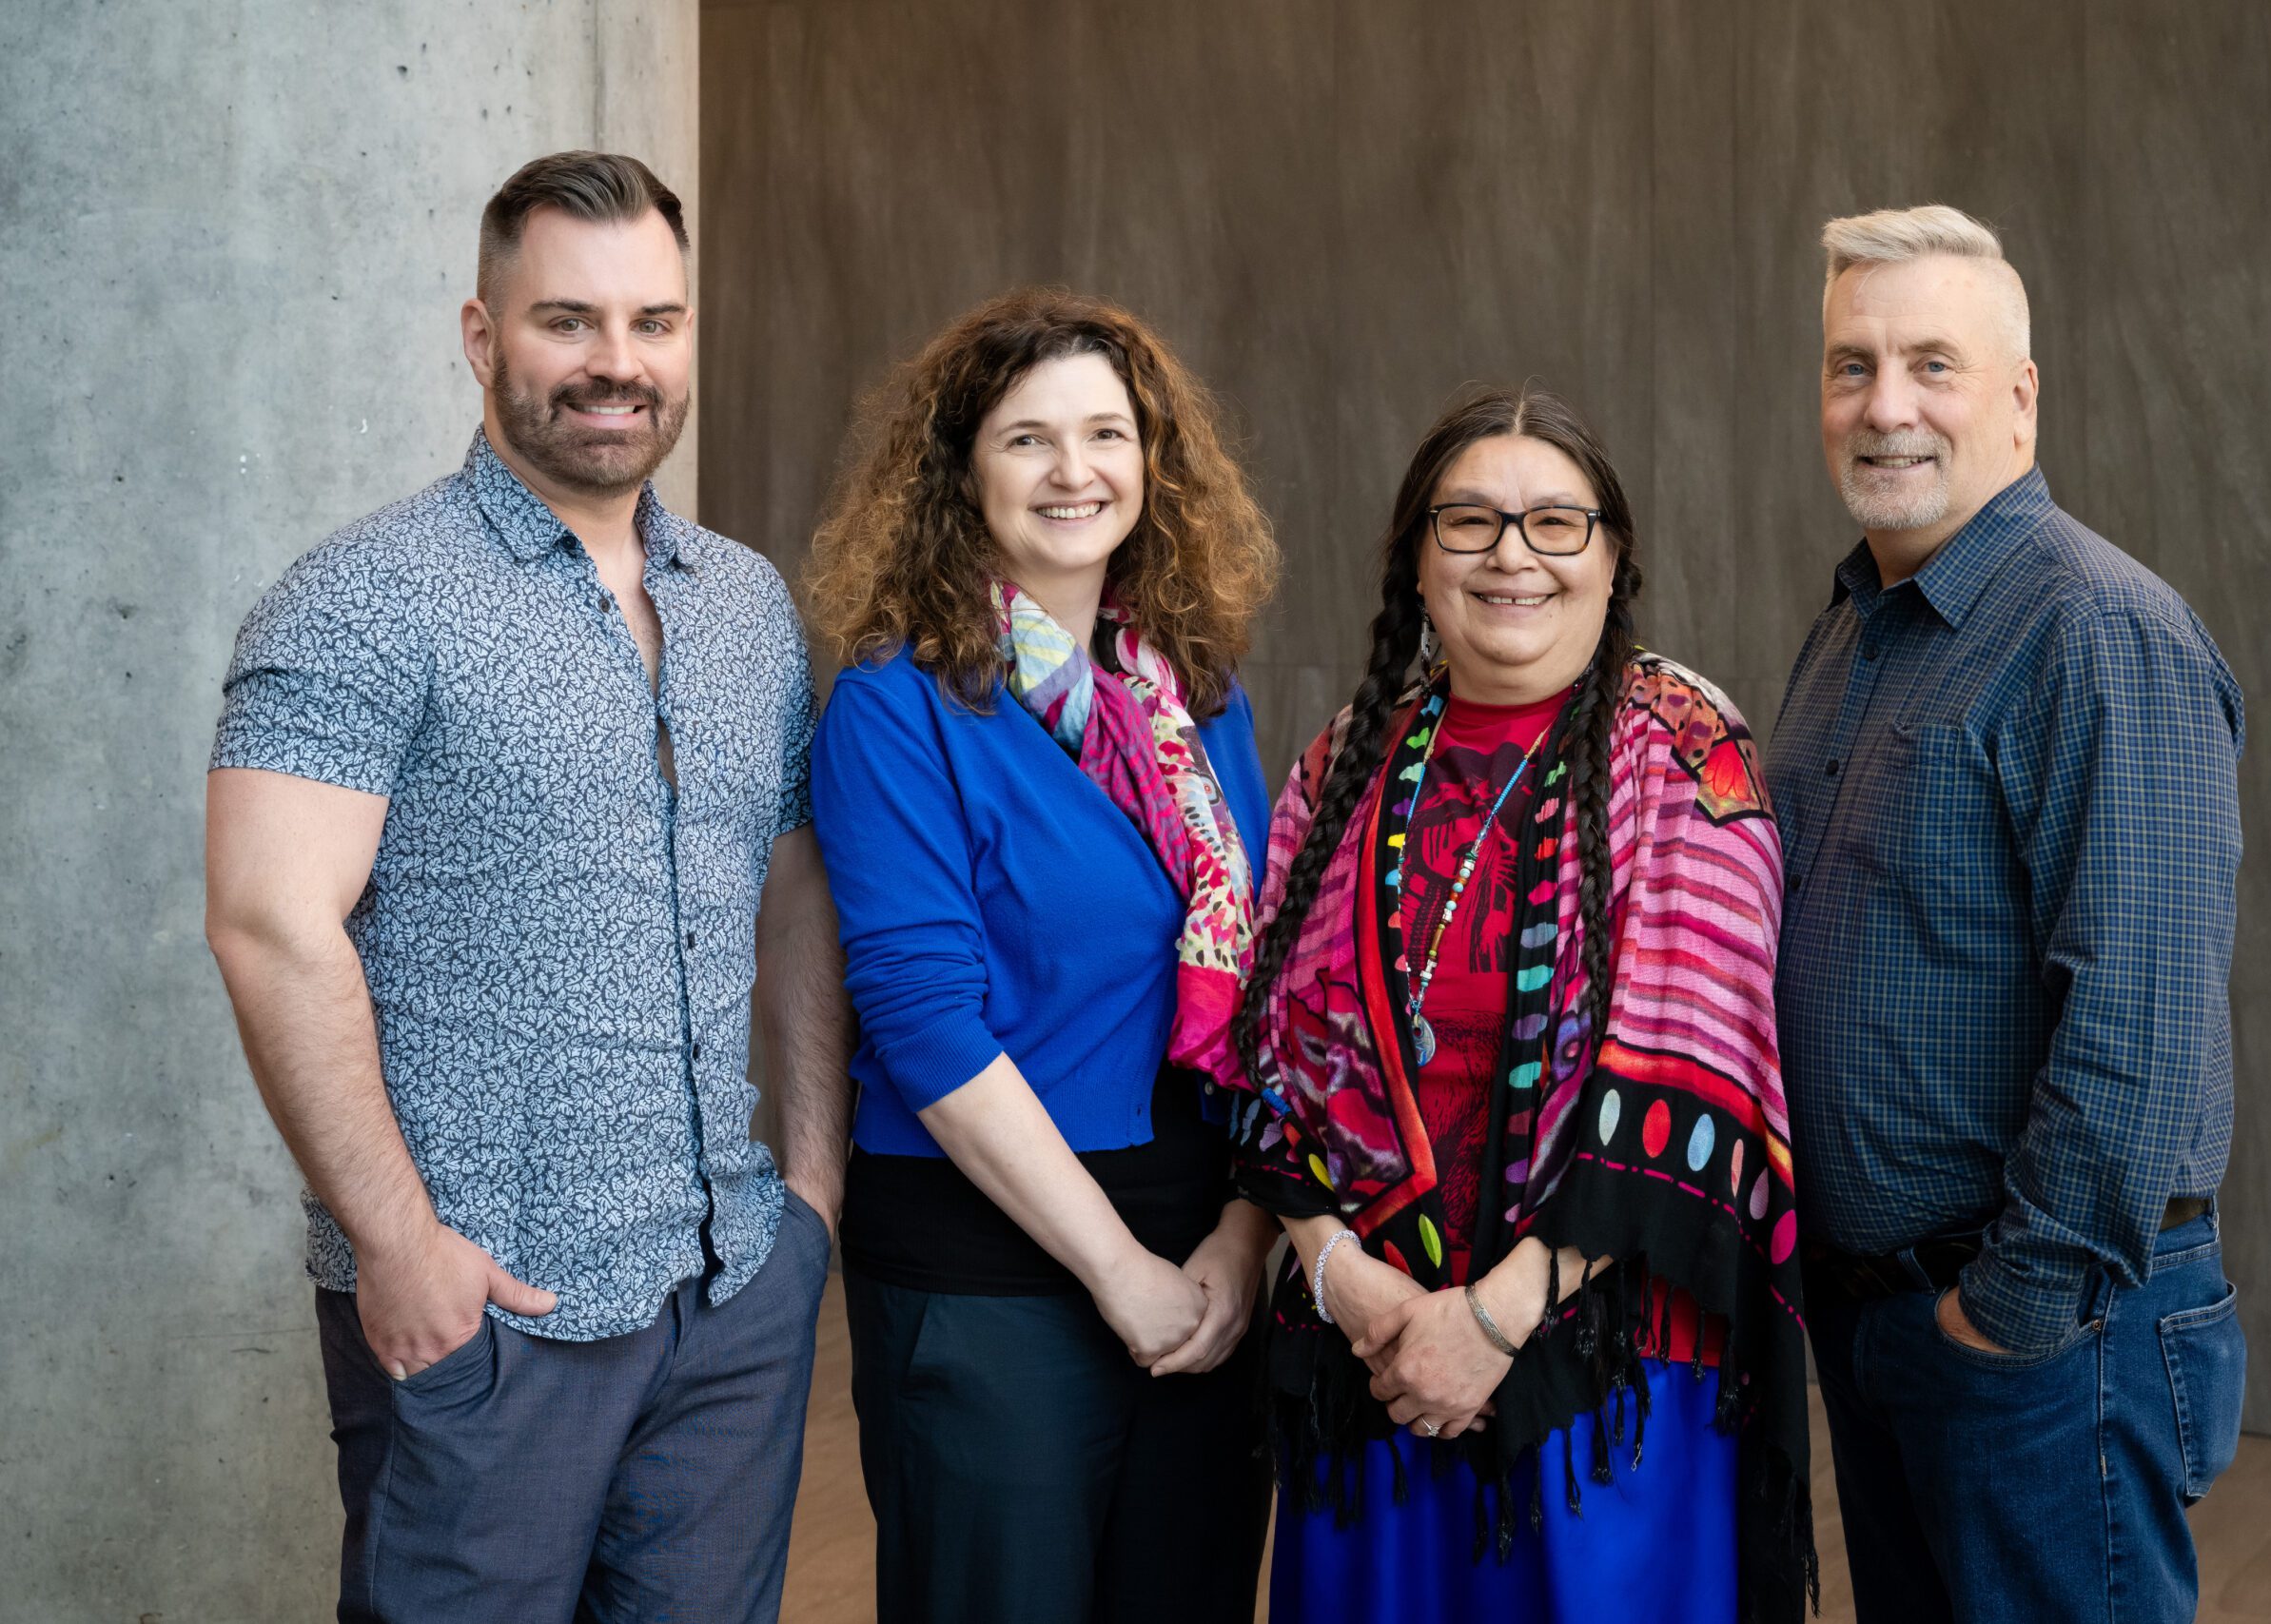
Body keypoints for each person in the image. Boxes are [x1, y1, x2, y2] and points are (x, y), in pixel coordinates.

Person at [203, 151, 851, 1620]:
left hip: (729, 1295)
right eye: (568, 321)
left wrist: (811, 1193)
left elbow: (794, 890)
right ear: (482, 335)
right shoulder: (362, 596)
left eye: (653, 322)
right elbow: (266, 923)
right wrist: (399, 1248)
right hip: (488, 1316)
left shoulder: (746, 606)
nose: (618, 363)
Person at [1222, 384, 1813, 1624]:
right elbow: (1271, 1063)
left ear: (1613, 556)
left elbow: (1694, 1073)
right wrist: (1354, 1289)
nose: (1512, 555)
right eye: (1471, 521)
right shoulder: (1345, 762)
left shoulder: (1686, 749)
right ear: (1416, 558)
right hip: (1370, 1367)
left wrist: (1490, 1326)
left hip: (1603, 1376)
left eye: (1555, 522)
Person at [1773, 205, 2247, 1624]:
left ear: (2022, 398)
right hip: (1883, 1323)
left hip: (2041, 1331)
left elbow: (2138, 1028)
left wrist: (2007, 1318)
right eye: (1852, 366)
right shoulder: (1855, 629)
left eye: (1934, 364)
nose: (1886, 406)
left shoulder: (2097, 628)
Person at [803, 286, 1282, 1623]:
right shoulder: (895, 708)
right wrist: (1119, 1272)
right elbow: (924, 1024)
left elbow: (1271, 989)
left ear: (1152, 460)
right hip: (992, 1277)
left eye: (1105, 434)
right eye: (1027, 439)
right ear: (960, 471)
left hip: (1204, 1261)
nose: (1075, 471)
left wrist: (1239, 1244)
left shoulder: (1200, 699)